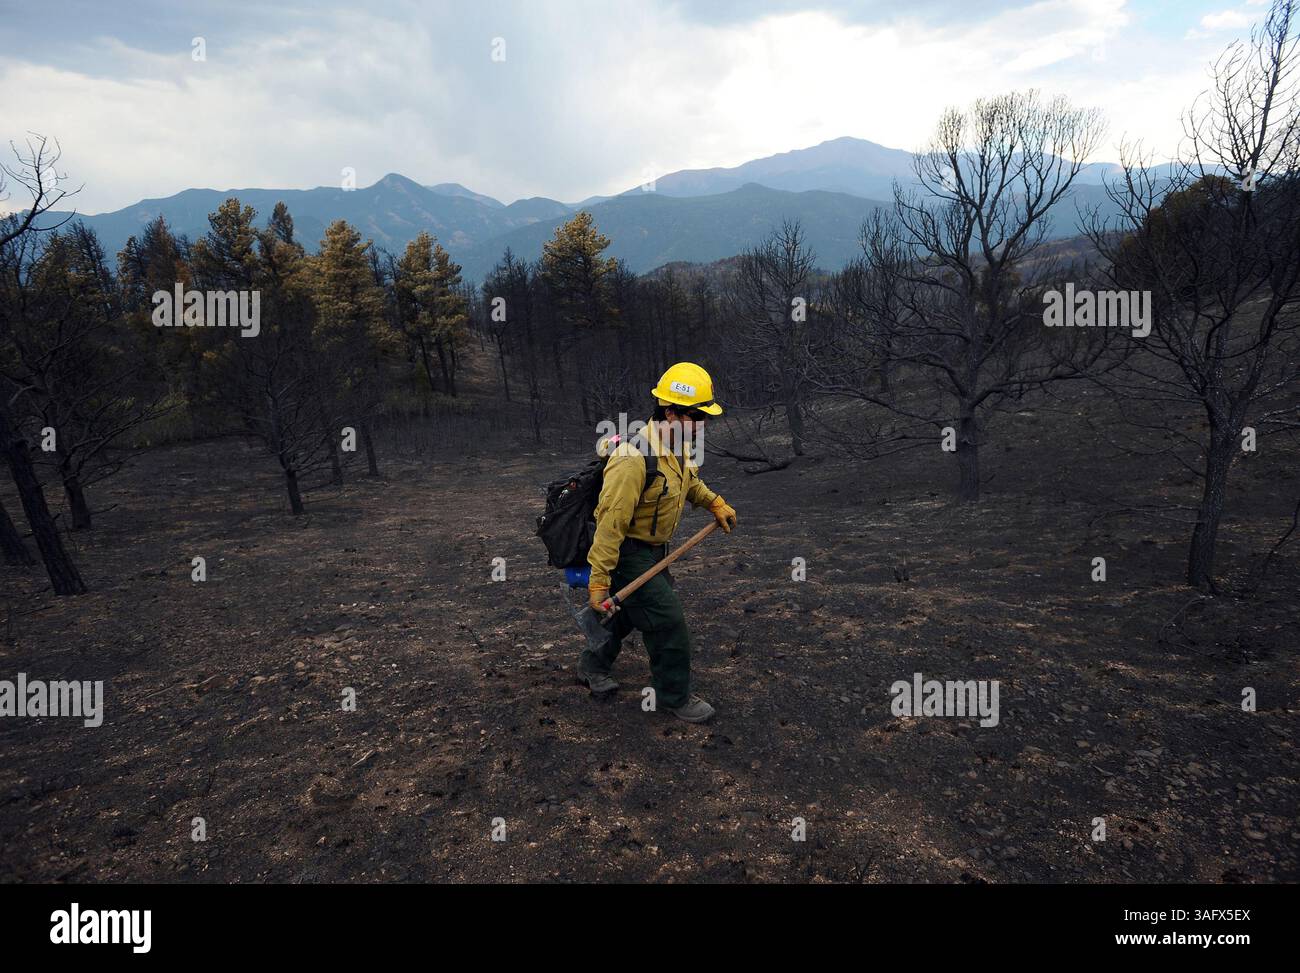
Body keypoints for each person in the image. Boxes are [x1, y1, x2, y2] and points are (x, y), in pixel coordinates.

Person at [576, 362, 738, 723]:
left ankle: (592, 666)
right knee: (667, 622)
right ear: (671, 413)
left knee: (630, 614)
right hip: (626, 554)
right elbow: (609, 525)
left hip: (653, 553)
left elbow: (687, 483)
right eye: (697, 416)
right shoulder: (633, 460)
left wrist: (713, 502)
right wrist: (599, 581)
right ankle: (674, 697)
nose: (703, 424)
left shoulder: (676, 446)